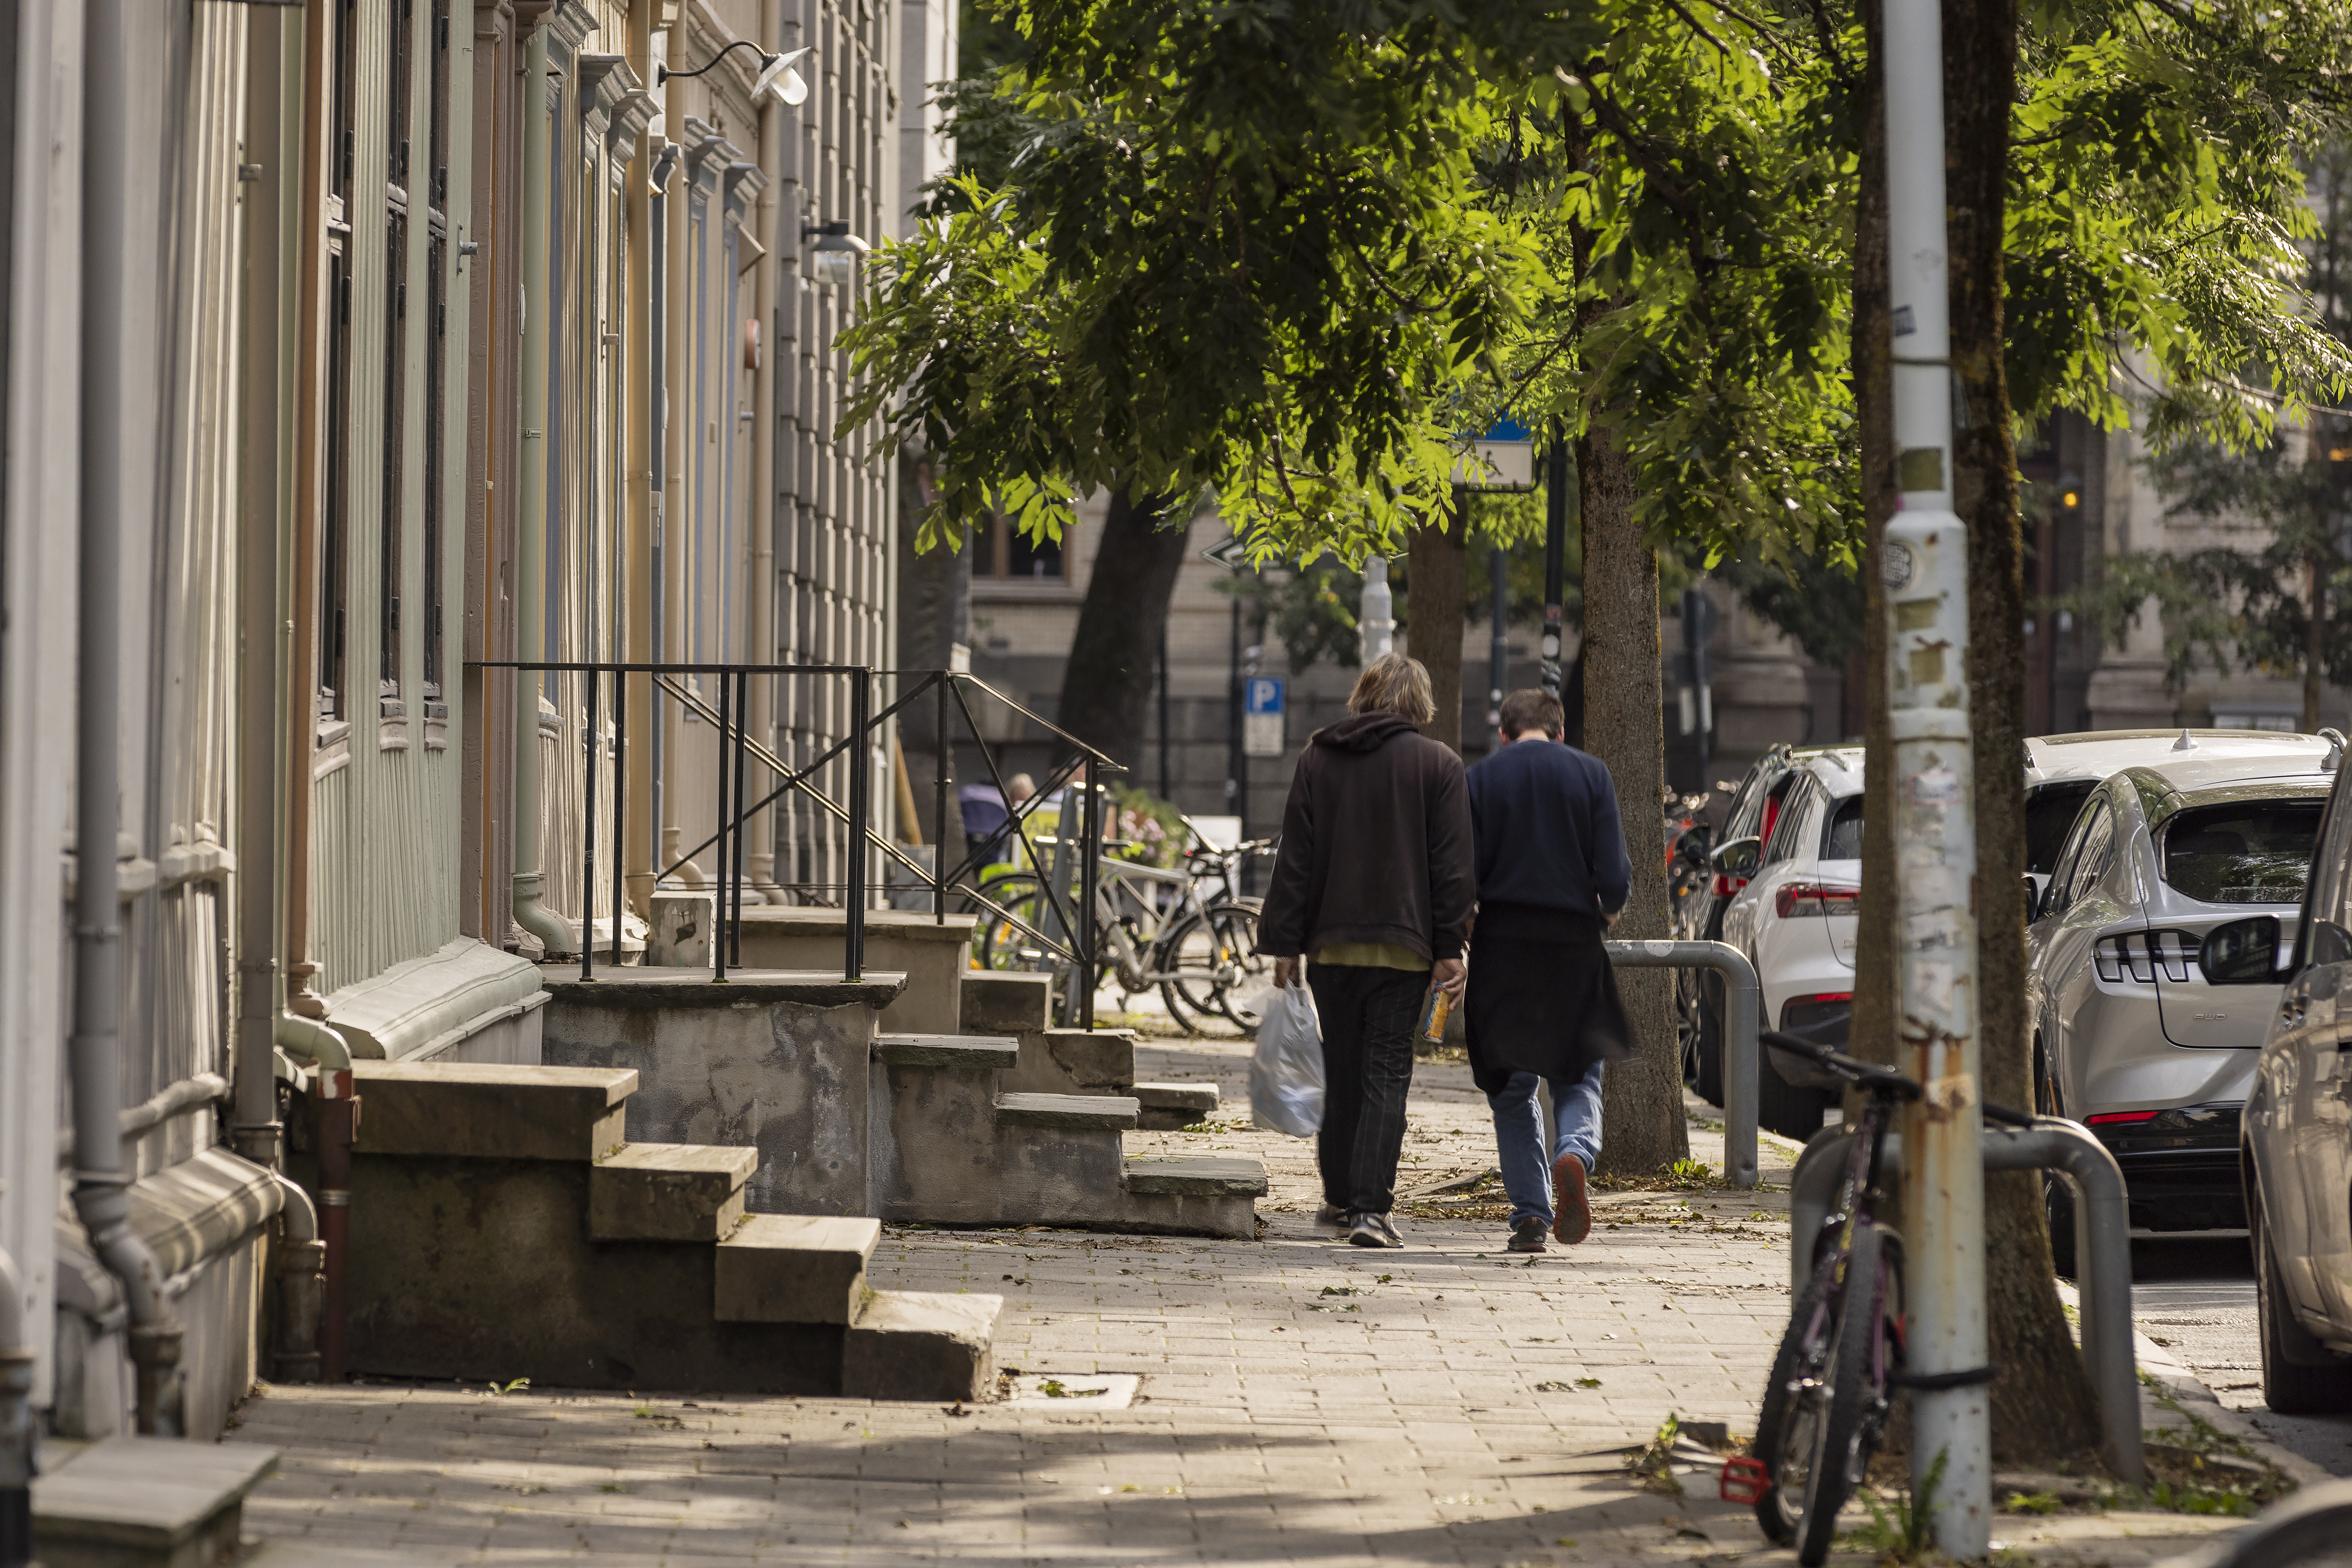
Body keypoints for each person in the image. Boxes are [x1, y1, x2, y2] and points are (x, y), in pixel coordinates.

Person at [1260, 652, 1475, 1249]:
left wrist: (1286, 944)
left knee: (1342, 1071)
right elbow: (1452, 868)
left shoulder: (1318, 758)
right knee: (1386, 1076)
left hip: (1332, 949)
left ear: (1365, 694)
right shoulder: (1439, 764)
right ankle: (1371, 1211)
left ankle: (1338, 1197)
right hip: (1404, 951)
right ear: (1419, 703)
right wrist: (1450, 946)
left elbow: (1296, 857)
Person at [1465, 688, 1634, 1253]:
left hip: (1501, 946)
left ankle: (1532, 1217)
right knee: (1578, 1071)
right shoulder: (1591, 774)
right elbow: (1614, 874)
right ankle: (1576, 1151)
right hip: (1571, 943)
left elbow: (1463, 874)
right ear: (1561, 733)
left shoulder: (1479, 779)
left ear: (1504, 735)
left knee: (1512, 1087)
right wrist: (1606, 909)